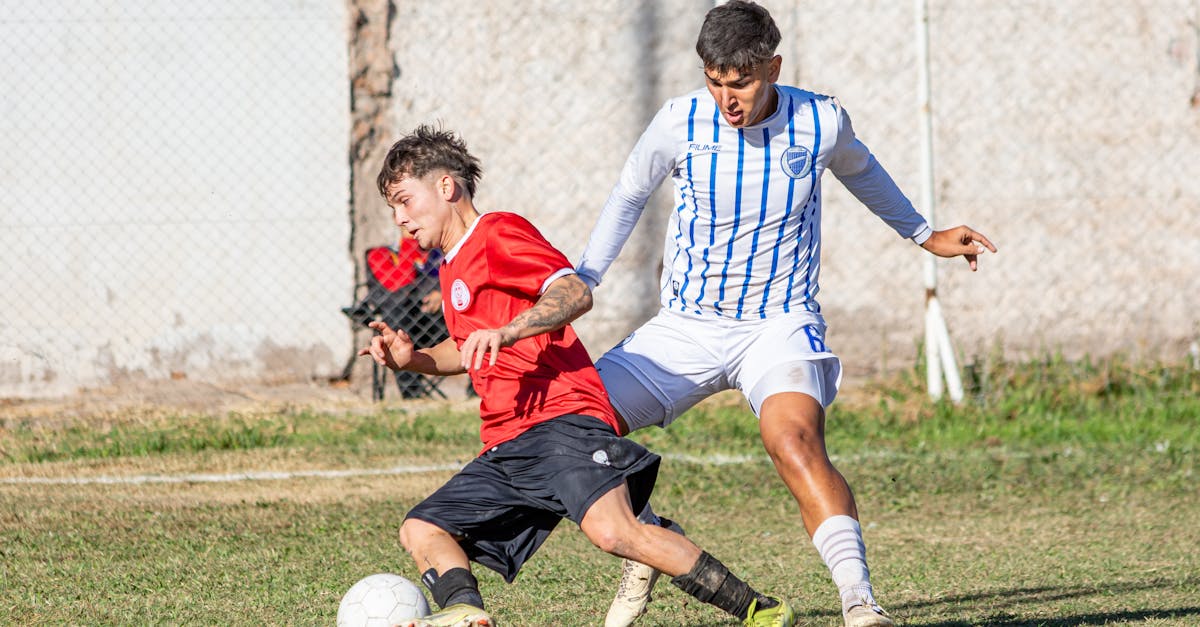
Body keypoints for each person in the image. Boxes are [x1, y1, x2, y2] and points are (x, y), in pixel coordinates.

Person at [575, 3, 997, 627]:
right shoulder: (679, 122)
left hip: (779, 323)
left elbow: (864, 172)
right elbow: (628, 196)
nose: (726, 99)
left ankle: (860, 603)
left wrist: (925, 234)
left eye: (740, 82)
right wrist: (584, 279)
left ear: (773, 66)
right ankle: (649, 541)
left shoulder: (819, 121)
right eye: (714, 81)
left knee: (793, 440)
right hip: (686, 325)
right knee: (573, 429)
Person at [361, 124, 799, 627]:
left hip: (561, 420)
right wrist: (410, 358)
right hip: (506, 441)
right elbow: (466, 348)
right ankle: (466, 615)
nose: (399, 219)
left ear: (445, 187)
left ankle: (760, 610)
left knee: (616, 534)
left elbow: (573, 293)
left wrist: (507, 332)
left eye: (403, 201)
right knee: (422, 528)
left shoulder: (498, 233)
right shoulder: (450, 265)